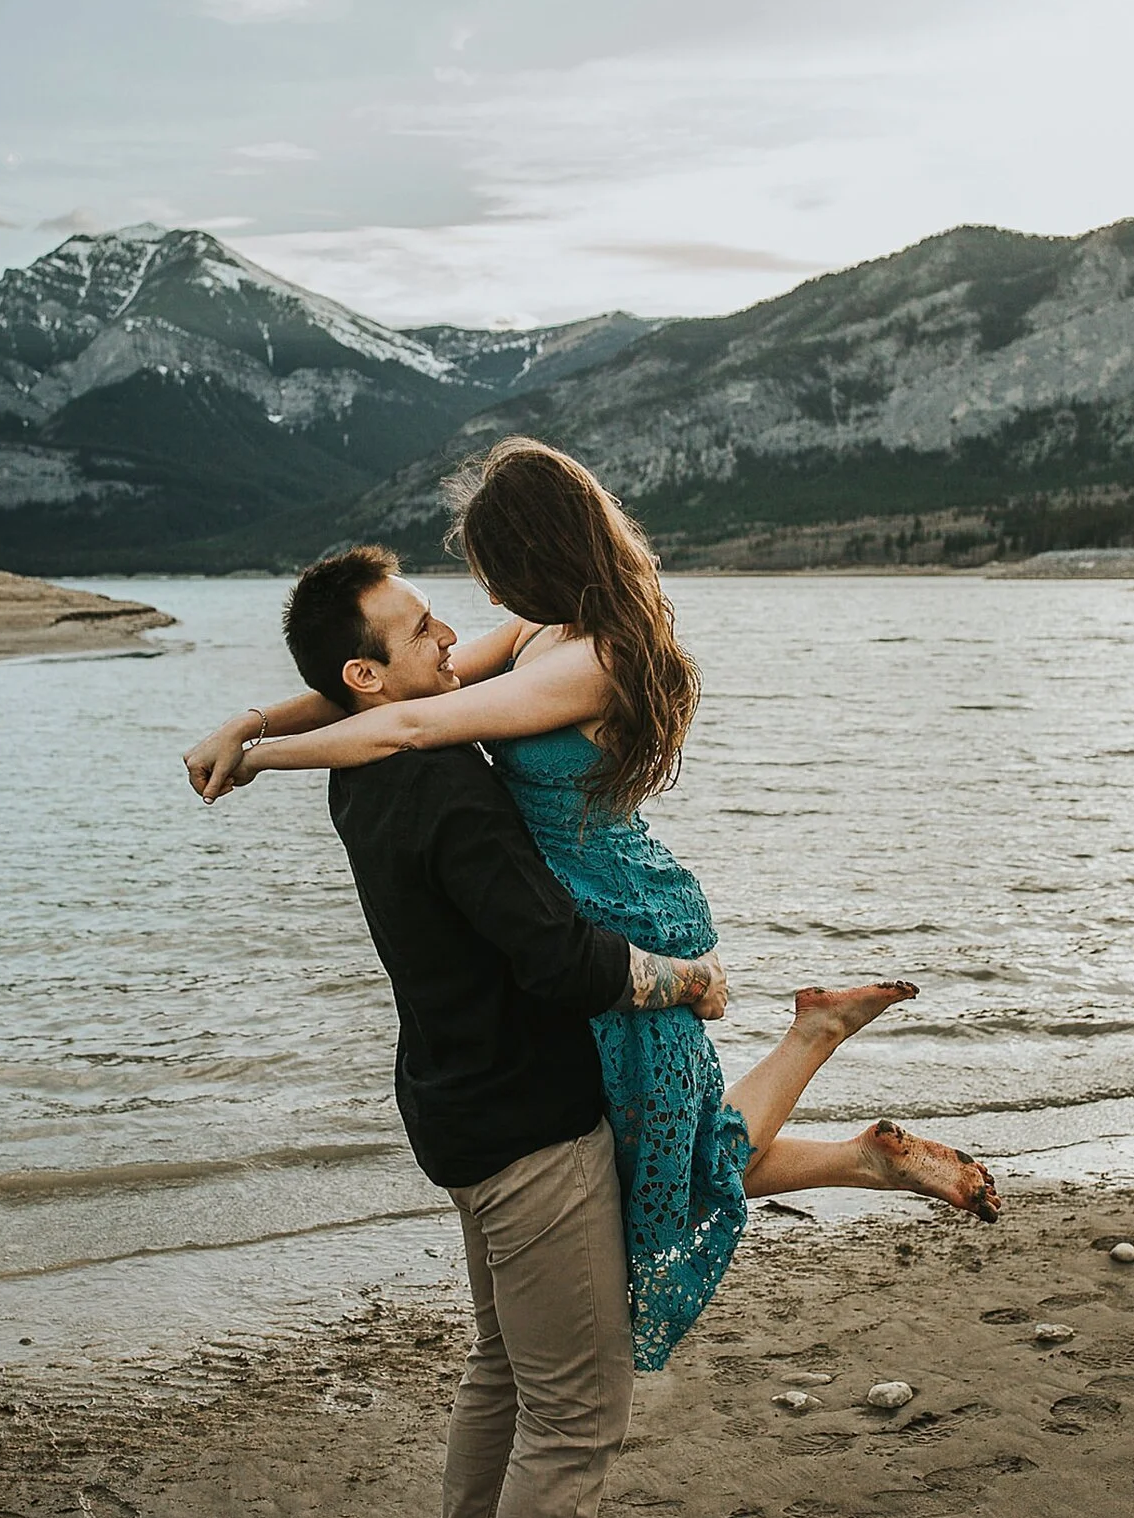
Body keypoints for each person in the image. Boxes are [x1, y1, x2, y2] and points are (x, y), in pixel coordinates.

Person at [184, 442, 998, 1383]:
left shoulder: (595, 659)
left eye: (496, 570)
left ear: (538, 558)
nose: (481, 602)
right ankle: (848, 1113)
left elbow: (408, 721)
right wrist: (252, 721)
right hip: (593, 913)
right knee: (669, 1154)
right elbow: (373, 682)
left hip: (625, 921)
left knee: (667, 1166)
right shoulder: (541, 632)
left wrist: (254, 765)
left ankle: (824, 1065)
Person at [241, 542, 724, 1518]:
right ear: (366, 677)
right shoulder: (449, 789)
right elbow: (559, 958)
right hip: (527, 1131)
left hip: (450, 1106)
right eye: (421, 629)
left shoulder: (359, 768)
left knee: (500, 1364)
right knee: (575, 1424)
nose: (450, 633)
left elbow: (383, 709)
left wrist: (256, 726)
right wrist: (680, 981)